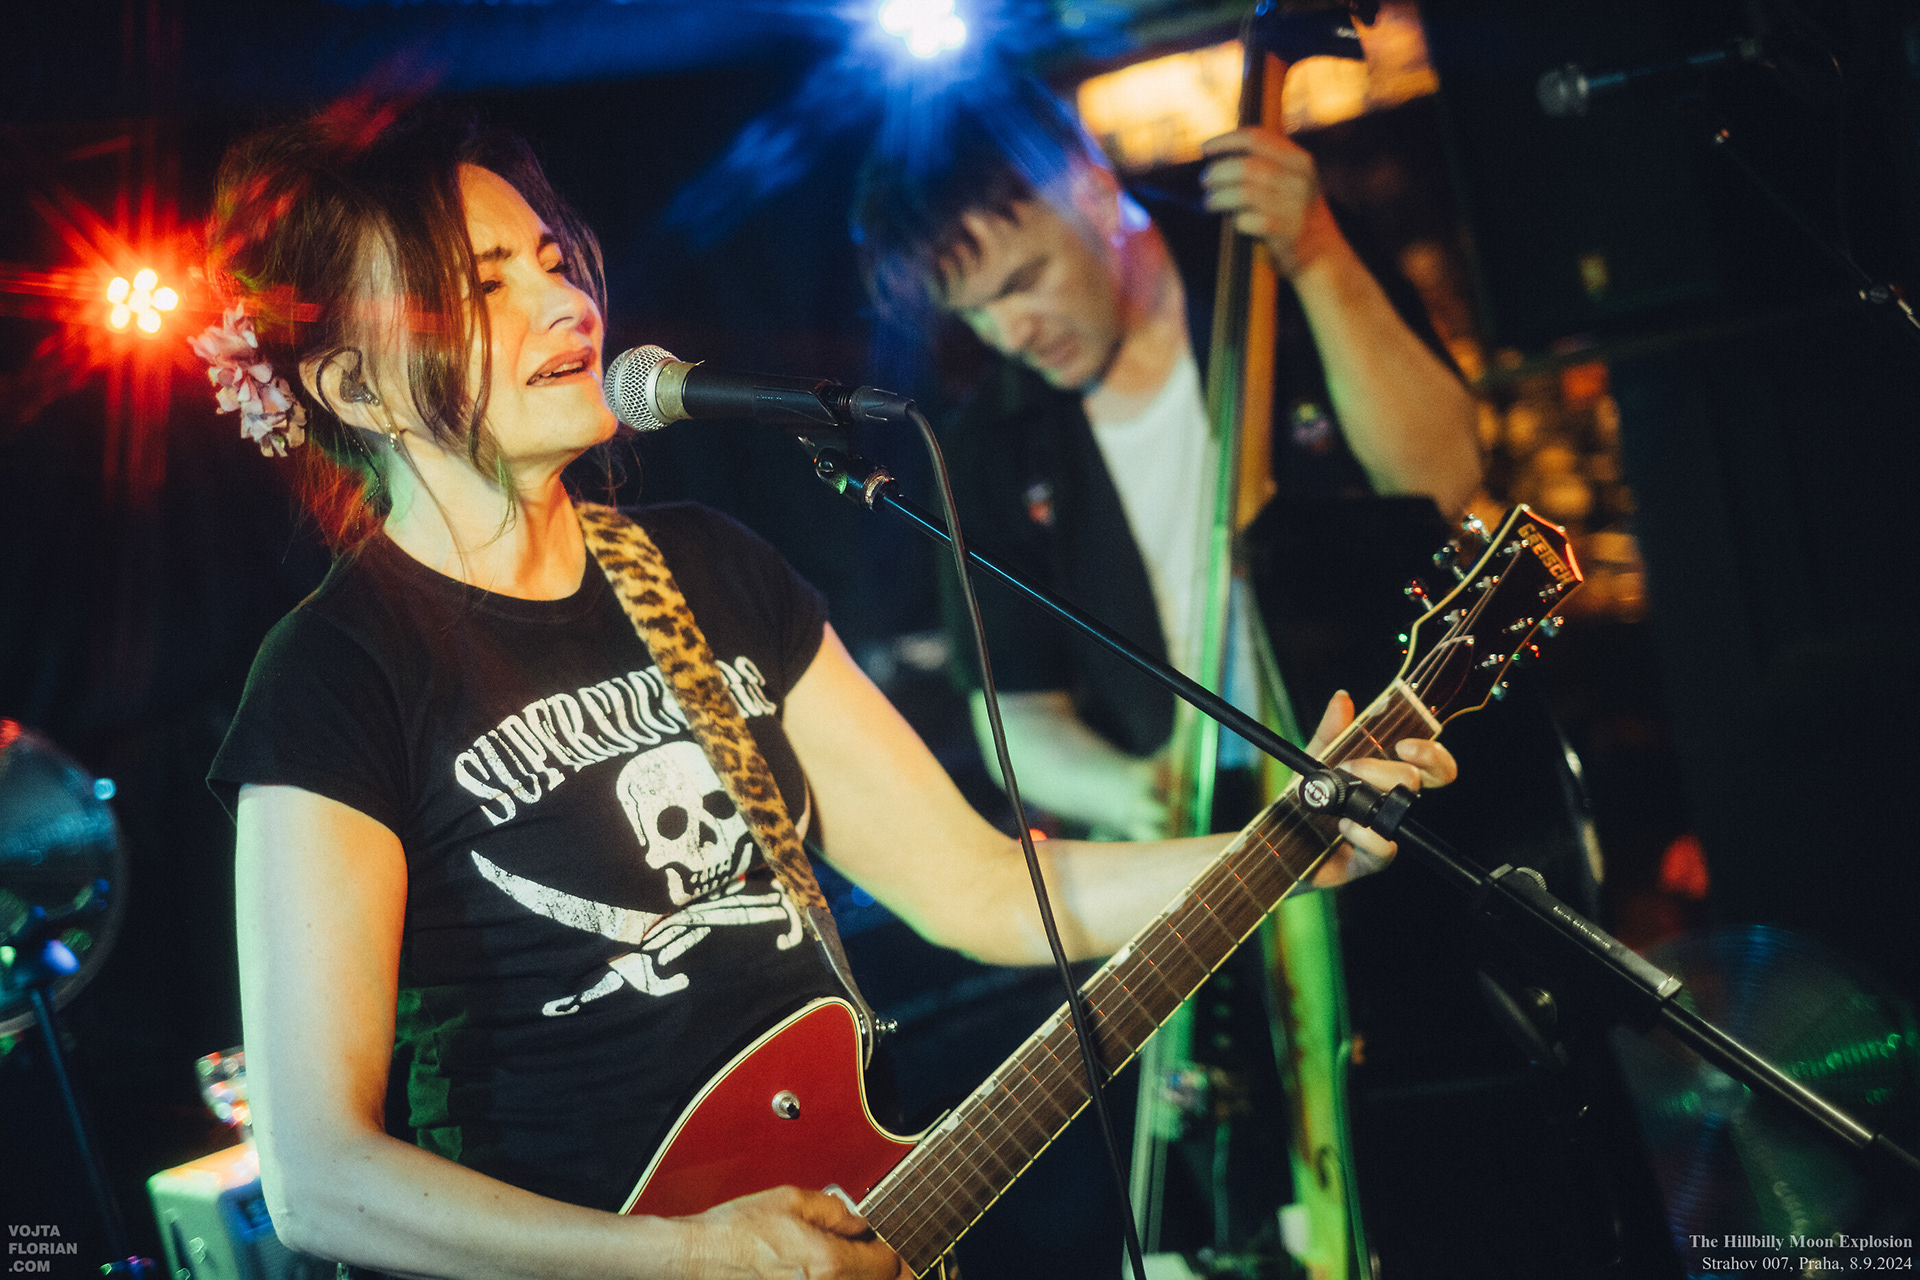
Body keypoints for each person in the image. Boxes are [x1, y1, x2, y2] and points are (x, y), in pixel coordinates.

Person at [200, 105, 1455, 1280]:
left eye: (551, 260)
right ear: (357, 389)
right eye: (486, 287)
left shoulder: (707, 570)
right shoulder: (338, 672)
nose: (567, 302)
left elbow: (980, 888)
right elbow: (319, 1177)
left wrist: (1281, 848)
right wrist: (682, 1255)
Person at [852, 79, 1482, 839]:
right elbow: (1014, 710)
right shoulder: (988, 443)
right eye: (975, 312)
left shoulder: (1275, 260)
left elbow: (1443, 480)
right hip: (1219, 829)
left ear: (1092, 194)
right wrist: (1134, 796)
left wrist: (1316, 255)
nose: (1009, 334)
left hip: (1420, 771)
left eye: (1024, 282)